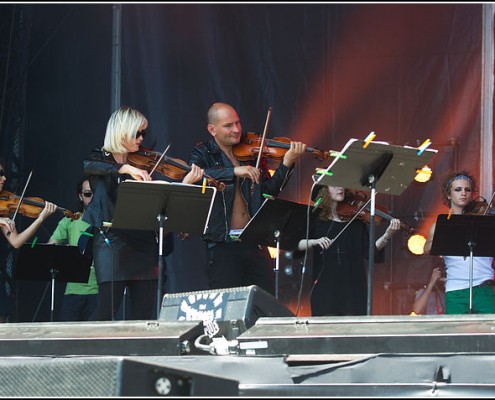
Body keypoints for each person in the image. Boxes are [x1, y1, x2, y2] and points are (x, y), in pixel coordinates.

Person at [83, 106, 204, 321]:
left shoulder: (140, 160)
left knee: (143, 313)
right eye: (137, 133)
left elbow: (159, 199)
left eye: (144, 134)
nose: (141, 139)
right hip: (112, 241)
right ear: (122, 131)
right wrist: (126, 169)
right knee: (106, 309)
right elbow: (91, 165)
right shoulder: (100, 158)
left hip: (143, 242)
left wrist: (185, 184)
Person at [188, 102, 307, 295]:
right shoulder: (203, 153)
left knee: (263, 303)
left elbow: (269, 191)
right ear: (212, 129)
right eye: (228, 125)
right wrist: (234, 171)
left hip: (255, 241)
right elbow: (198, 174)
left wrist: (287, 162)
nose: (236, 130)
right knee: (226, 306)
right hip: (223, 244)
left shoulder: (251, 154)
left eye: (237, 123)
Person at [295, 185, 401, 316]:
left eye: (342, 185)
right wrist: (314, 241)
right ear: (324, 190)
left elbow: (370, 252)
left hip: (353, 288)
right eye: (334, 185)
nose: (340, 188)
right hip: (325, 288)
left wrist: (387, 235)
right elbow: (296, 244)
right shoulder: (315, 220)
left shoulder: (355, 222)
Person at [424, 170, 495, 314]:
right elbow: (426, 249)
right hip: (455, 290)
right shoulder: (440, 224)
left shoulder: (484, 219)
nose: (463, 193)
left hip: (484, 289)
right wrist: (448, 232)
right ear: (449, 194)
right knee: (457, 333)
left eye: (467, 190)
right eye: (458, 189)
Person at [0, 160, 57, 322]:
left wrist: (40, 219)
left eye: (4, 174)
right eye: (0, 174)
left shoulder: (3, 207)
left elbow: (16, 242)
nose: (4, 179)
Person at [47, 179, 99, 321]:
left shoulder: (107, 221)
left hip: (99, 291)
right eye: (88, 194)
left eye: (95, 193)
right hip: (73, 291)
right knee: (67, 338)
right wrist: (65, 254)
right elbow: (50, 247)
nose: (92, 197)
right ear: (80, 196)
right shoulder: (70, 220)